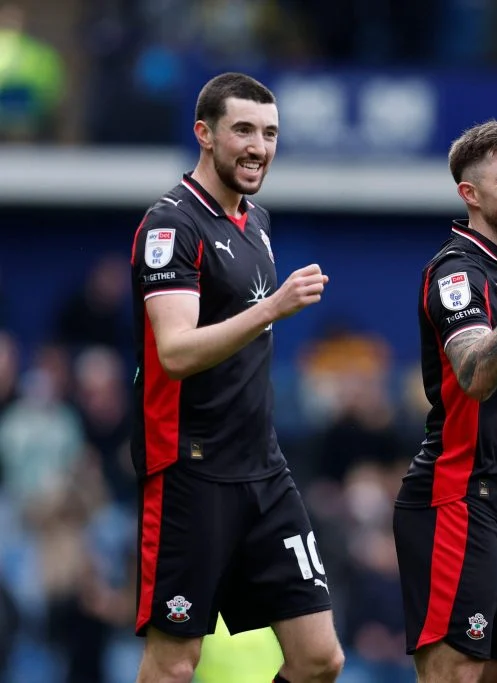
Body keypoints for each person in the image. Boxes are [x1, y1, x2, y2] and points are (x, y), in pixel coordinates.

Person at [129, 72, 344, 683]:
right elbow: (175, 352)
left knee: (320, 660)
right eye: (243, 130)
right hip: (189, 469)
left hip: (263, 468)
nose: (259, 147)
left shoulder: (257, 221)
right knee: (175, 664)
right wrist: (271, 308)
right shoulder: (172, 225)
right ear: (205, 134)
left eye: (270, 133)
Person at [393, 120, 497, 683]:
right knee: (454, 676)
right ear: (471, 194)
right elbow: (475, 375)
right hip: (459, 499)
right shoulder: (456, 272)